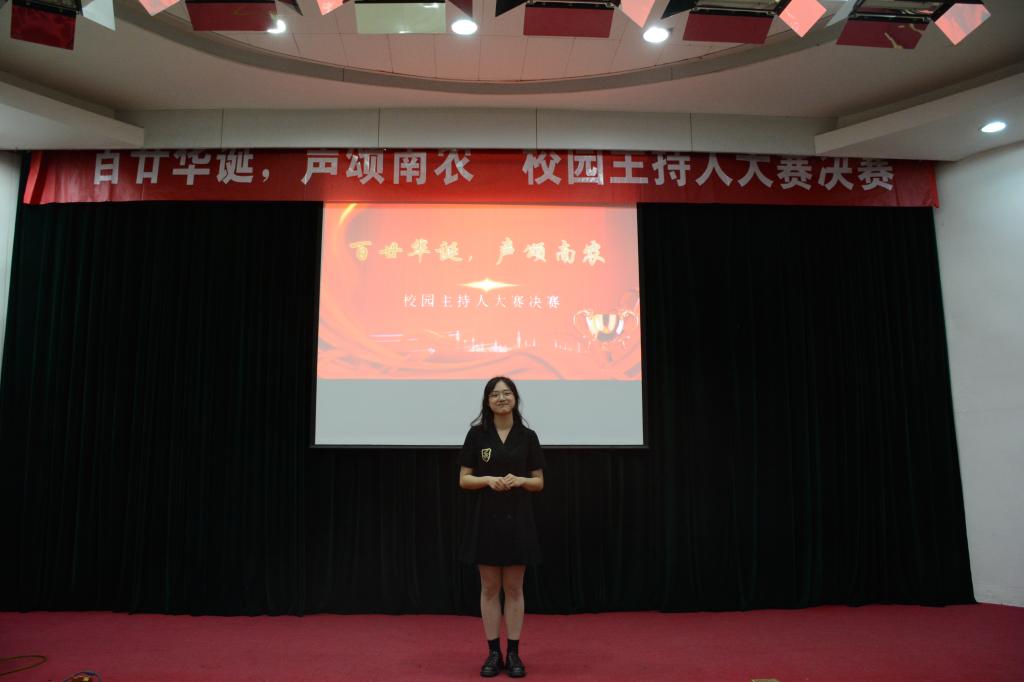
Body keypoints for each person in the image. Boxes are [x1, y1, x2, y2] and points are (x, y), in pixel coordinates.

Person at [459, 376, 545, 678]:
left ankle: (515, 653)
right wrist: (487, 480)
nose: (501, 398)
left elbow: (539, 482)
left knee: (514, 587)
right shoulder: (477, 435)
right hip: (486, 519)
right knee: (490, 587)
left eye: (507, 393)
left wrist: (521, 480)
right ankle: (493, 653)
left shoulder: (528, 436)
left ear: (515, 398)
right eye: (495, 394)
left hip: (518, 519)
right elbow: (464, 479)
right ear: (487, 401)